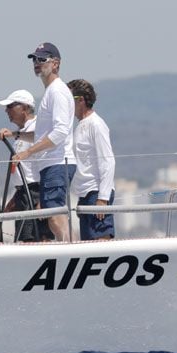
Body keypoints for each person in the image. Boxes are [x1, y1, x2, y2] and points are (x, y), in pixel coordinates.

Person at [0, 42, 76, 241]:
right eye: (34, 59)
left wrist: (28, 152)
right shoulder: (50, 92)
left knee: (54, 215)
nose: (37, 63)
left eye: (42, 59)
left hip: (58, 162)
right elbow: (42, 134)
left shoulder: (57, 91)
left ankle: (68, 251)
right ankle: (67, 248)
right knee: (51, 215)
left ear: (56, 64)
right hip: (50, 164)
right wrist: (15, 135)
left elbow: (60, 132)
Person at [0, 89, 53, 242]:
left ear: (25, 108)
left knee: (38, 238)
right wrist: (15, 199)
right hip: (23, 194)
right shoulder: (21, 133)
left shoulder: (38, 128)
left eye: (10, 106)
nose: (6, 110)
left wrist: (43, 200)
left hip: (36, 192)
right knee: (25, 238)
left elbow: (46, 163)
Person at [67, 79, 116, 240]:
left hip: (96, 193)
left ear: (80, 100)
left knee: (101, 243)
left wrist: (102, 198)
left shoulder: (96, 124)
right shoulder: (79, 125)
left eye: (69, 99)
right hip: (84, 194)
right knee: (88, 246)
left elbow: (107, 161)